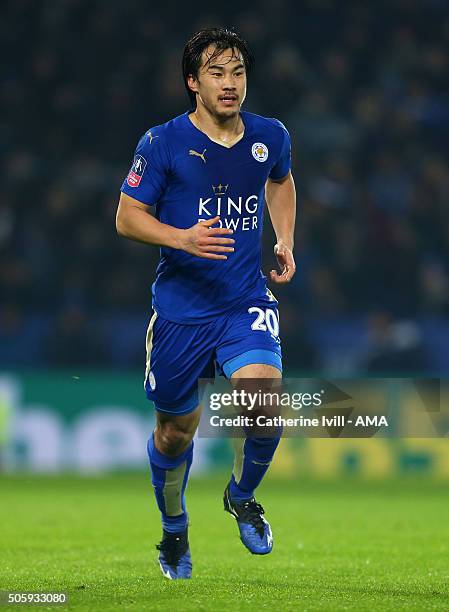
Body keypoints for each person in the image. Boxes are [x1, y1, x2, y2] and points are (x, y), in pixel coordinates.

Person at [116, 27, 296, 579]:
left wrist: (284, 237)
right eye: (216, 73)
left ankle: (240, 496)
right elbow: (126, 217)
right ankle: (174, 533)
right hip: (181, 311)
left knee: (264, 404)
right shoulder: (162, 142)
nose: (230, 83)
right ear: (193, 83)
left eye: (238, 71)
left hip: (243, 301)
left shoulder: (269, 136)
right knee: (175, 432)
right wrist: (183, 238)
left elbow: (281, 182)